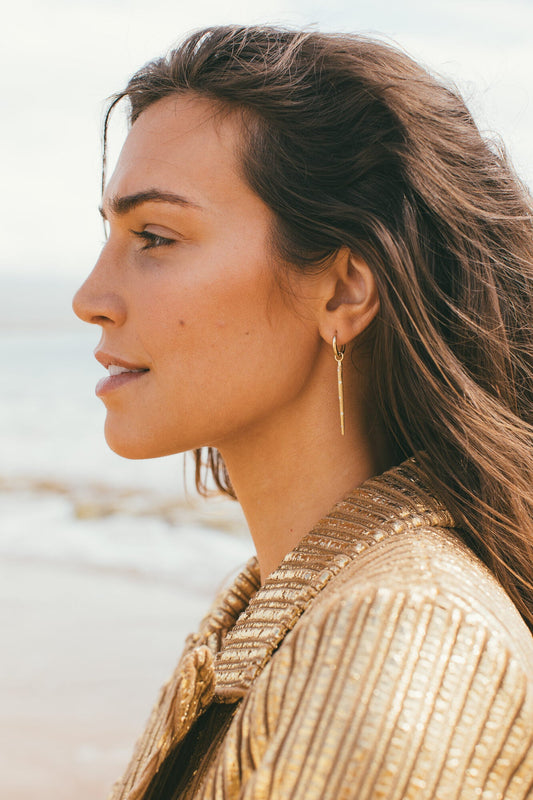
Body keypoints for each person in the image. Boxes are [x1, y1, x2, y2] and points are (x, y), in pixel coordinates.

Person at [72, 25, 533, 800]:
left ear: (345, 289)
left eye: (154, 236)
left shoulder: (401, 643)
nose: (90, 300)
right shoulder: (286, 602)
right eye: (112, 235)